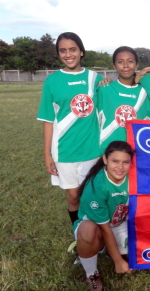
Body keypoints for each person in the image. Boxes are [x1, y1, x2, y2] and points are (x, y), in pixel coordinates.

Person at [37, 32, 103, 237]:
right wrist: (47, 154)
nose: (68, 54)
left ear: (81, 52)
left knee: (92, 197)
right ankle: (79, 236)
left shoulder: (95, 78)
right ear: (59, 54)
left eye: (72, 49)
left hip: (93, 150)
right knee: (73, 197)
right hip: (64, 152)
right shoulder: (52, 81)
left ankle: (99, 237)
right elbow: (48, 120)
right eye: (63, 51)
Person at [73, 141, 134, 291]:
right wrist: (118, 262)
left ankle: (107, 249)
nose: (120, 167)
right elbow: (105, 228)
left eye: (125, 162)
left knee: (139, 254)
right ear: (105, 160)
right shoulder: (97, 186)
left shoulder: (133, 178)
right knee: (88, 231)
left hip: (120, 224)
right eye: (115, 161)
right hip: (99, 227)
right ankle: (91, 274)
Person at [98, 46, 150, 152]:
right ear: (114, 66)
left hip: (137, 152)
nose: (125, 66)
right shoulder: (105, 89)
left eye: (130, 61)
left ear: (137, 65)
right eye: (120, 62)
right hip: (109, 153)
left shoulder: (145, 91)